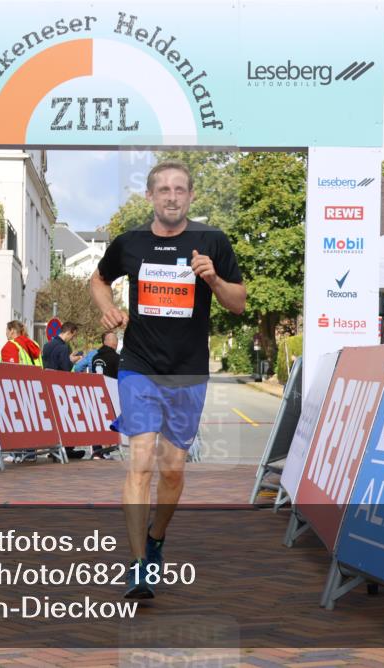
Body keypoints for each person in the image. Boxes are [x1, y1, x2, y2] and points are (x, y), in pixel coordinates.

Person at [90, 159, 246, 599]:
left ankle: (157, 538)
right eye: (164, 190)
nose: (172, 197)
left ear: (191, 196)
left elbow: (238, 303)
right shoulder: (130, 243)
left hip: (188, 370)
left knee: (172, 470)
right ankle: (139, 564)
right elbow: (98, 280)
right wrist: (106, 306)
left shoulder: (211, 241)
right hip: (139, 364)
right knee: (140, 461)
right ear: (150, 197)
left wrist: (212, 278)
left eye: (180, 190)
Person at [42, 321, 86, 461]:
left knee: (53, 421)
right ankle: (66, 450)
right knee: (64, 420)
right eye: (73, 335)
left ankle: (53, 450)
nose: (72, 338)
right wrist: (73, 360)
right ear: (70, 332)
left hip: (46, 384)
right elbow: (65, 368)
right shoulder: (63, 347)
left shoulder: (47, 345)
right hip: (59, 387)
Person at [0, 320, 43, 462]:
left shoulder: (11, 346)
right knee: (30, 423)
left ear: (12, 330)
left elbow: (10, 370)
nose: (6, 333)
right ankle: (30, 453)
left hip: (17, 388)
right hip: (34, 388)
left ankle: (16, 454)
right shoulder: (33, 344)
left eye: (7, 330)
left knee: (17, 422)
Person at [89, 330, 121, 460]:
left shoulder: (95, 357)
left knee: (98, 421)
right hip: (111, 394)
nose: (116, 343)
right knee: (109, 421)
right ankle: (106, 450)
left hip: (96, 392)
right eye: (115, 341)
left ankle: (97, 450)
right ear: (111, 343)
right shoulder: (116, 358)